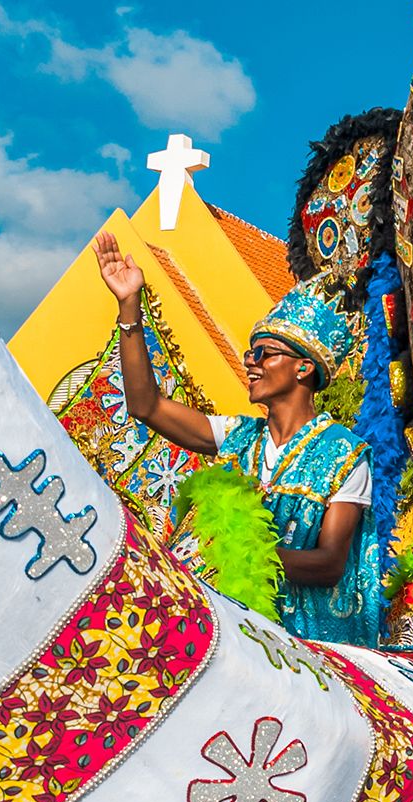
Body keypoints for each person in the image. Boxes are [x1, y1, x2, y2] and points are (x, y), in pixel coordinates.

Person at [93, 232, 383, 644]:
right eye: (250, 353)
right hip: (227, 632)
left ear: (303, 369)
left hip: (300, 650)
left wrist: (238, 554)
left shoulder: (346, 454)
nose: (251, 362)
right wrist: (128, 306)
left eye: (264, 353)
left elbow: (330, 563)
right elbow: (147, 407)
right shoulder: (239, 436)